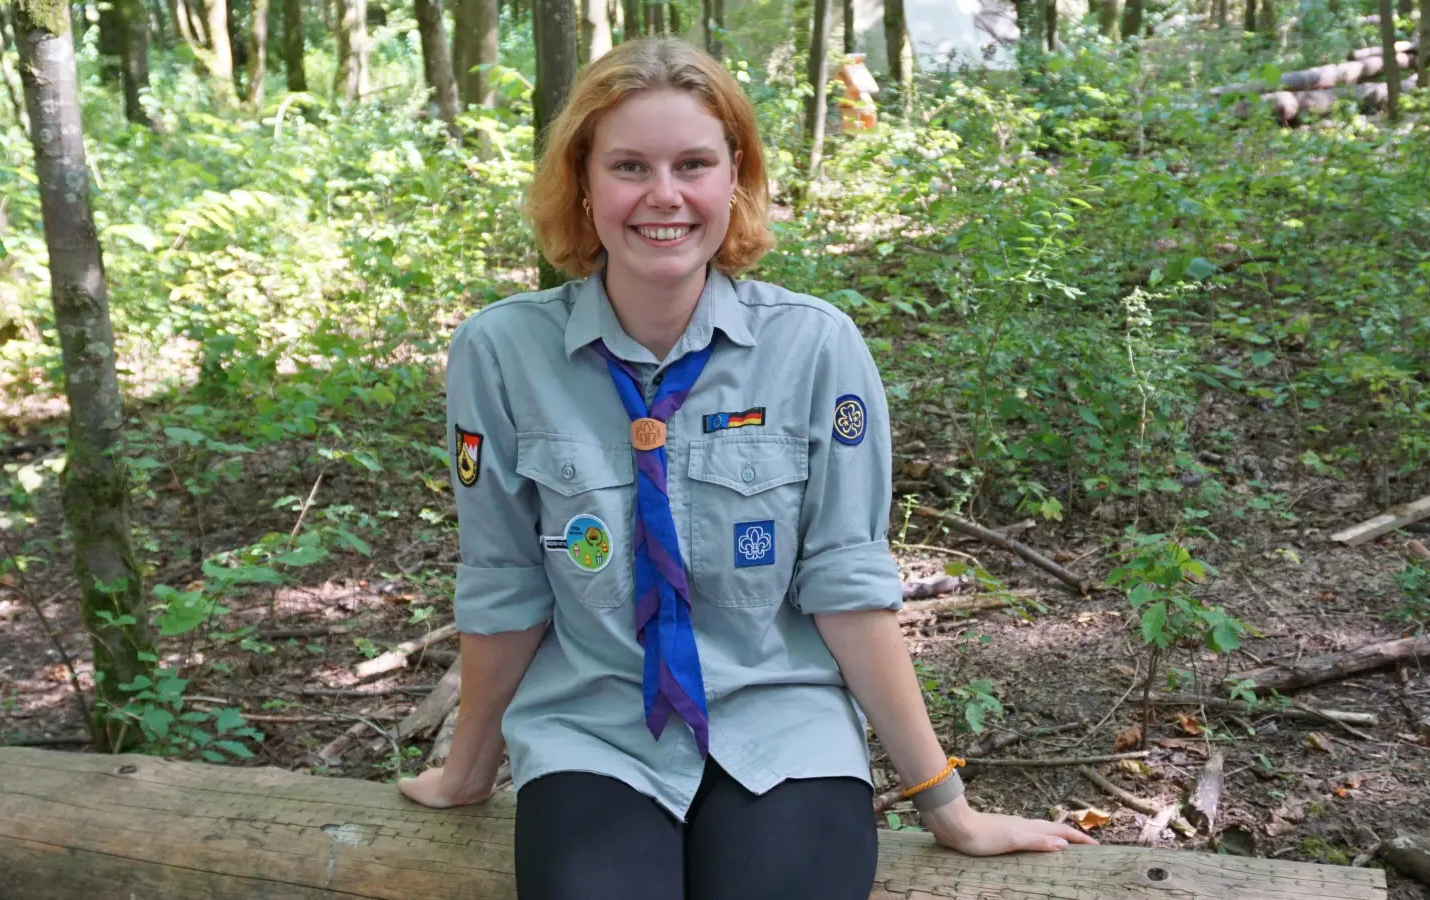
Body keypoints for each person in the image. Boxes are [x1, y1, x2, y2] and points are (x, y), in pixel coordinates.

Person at [397, 35, 1095, 900]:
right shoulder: (501, 352)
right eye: (629, 167)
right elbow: (504, 583)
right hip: (596, 729)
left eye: (694, 163)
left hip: (783, 724)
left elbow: (848, 586)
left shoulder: (814, 347)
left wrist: (945, 803)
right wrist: (469, 769)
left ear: (737, 176)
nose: (664, 196)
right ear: (582, 181)